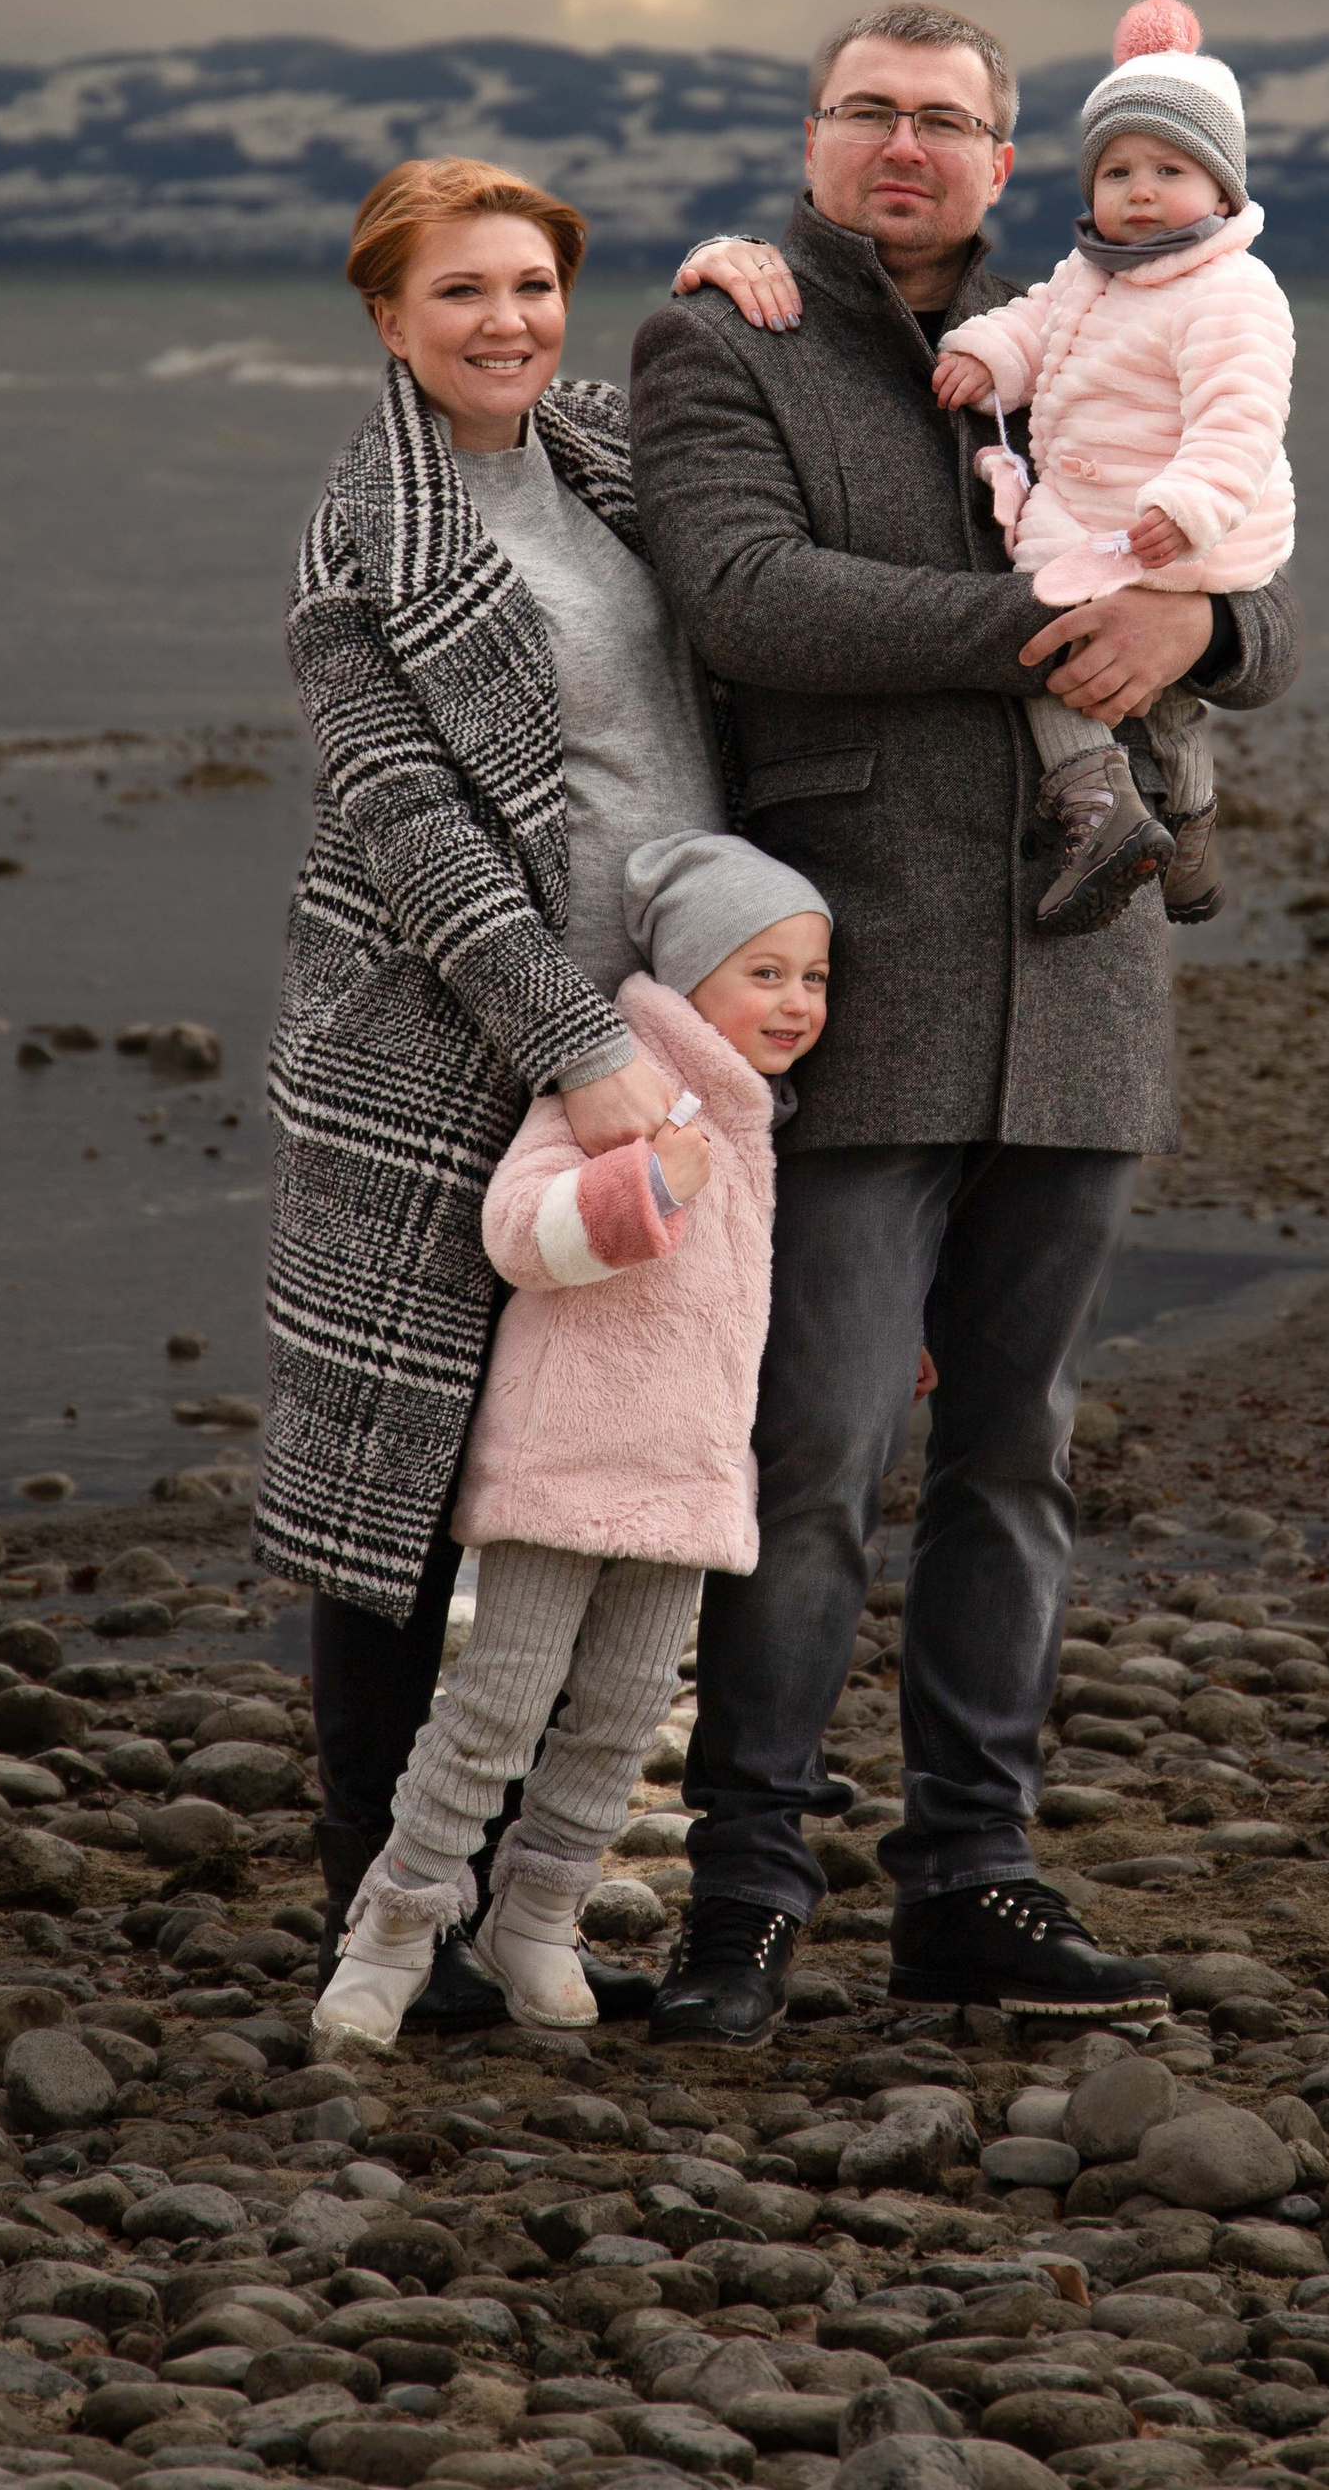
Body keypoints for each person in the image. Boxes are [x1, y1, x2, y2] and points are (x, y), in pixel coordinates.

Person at [631, 0, 1299, 2041]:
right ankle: (739, 1893)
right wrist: (1057, 622)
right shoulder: (716, 338)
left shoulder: (1113, 301)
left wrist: (1204, 616)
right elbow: (746, 596)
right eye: (867, 114)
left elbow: (1247, 534)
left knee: (1013, 1459)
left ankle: (966, 1878)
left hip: (1083, 983)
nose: (904, 147)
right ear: (811, 137)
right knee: (813, 1449)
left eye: (945, 120)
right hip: (837, 983)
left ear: (1005, 158)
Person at [254, 155, 787, 2029]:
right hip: (435, 1045)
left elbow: (754, 467)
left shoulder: (603, 455)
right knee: (389, 1482)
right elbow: (411, 831)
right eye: (463, 294)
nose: (507, 323)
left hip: (659, 1021)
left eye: (535, 288)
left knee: (604, 1452)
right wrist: (582, 1051)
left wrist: (732, 281)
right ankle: (384, 1910)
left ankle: (529, 1896)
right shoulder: (363, 542)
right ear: (389, 321)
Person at [310, 833, 830, 2058]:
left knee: (624, 1715)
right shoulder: (616, 1087)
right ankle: (391, 1933)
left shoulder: (753, 1119)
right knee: (496, 1704)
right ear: (691, 974)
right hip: (568, 1467)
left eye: (813, 978)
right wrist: (648, 1183)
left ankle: (534, 1919)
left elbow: (747, 1290)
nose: (797, 1004)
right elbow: (516, 1235)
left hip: (690, 1477)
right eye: (765, 975)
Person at [934, 0, 1295, 936]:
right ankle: (1170, 827)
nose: (1139, 190)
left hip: (1177, 521)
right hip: (1103, 515)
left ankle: (1121, 810)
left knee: (1072, 654)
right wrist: (986, 354)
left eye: (1169, 169)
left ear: (1222, 191)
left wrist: (1192, 503)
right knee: (1147, 690)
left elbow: (1242, 416)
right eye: (1118, 170)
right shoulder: (1090, 271)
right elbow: (1036, 324)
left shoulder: (1232, 288)